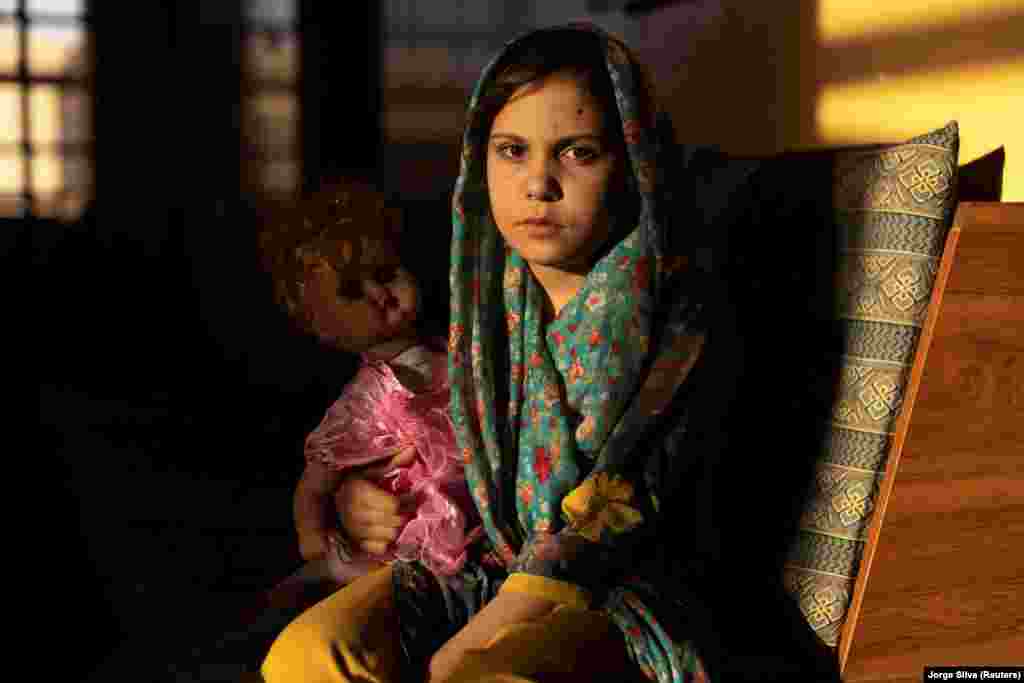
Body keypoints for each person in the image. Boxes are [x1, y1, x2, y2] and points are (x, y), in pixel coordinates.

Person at [261, 24, 842, 683]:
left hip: (609, 595)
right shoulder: (482, 299)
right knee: (309, 654)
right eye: (512, 150)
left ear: (632, 164)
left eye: (578, 152)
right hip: (467, 567)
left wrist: (458, 653)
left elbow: (613, 517)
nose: (538, 182)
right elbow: (430, 448)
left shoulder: (676, 319)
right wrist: (350, 495)